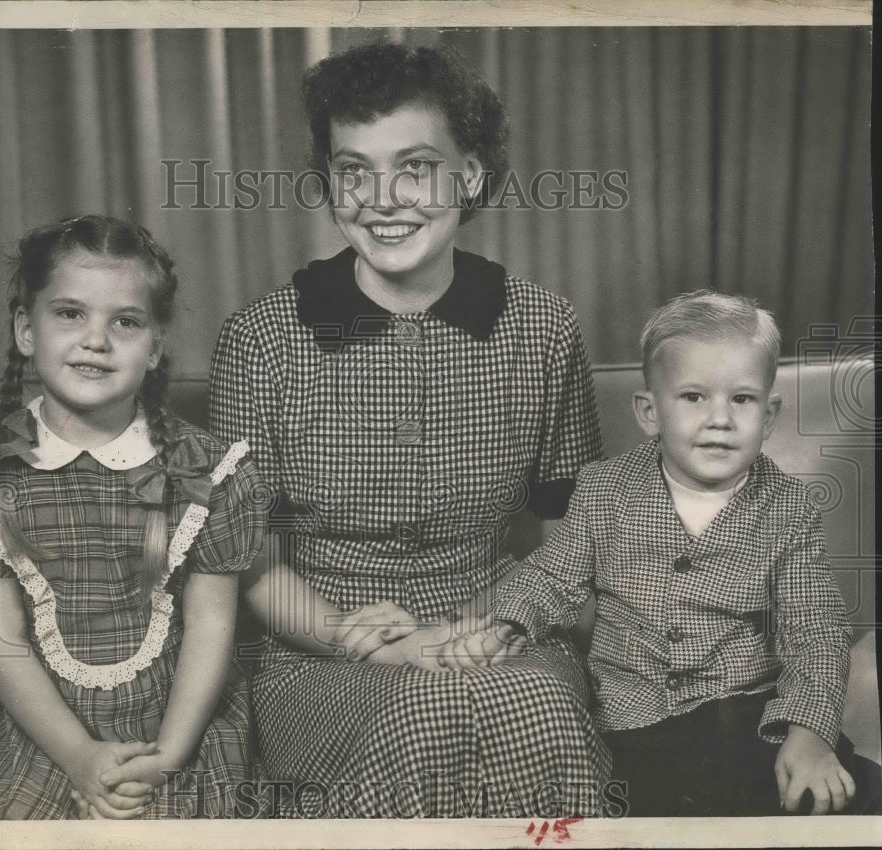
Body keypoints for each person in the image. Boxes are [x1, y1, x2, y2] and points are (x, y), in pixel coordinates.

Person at [209, 42, 610, 818]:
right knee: (426, 712)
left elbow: (575, 537)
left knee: (524, 709)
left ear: (470, 174)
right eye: (353, 169)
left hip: (500, 628)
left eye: (416, 166)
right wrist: (371, 641)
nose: (382, 198)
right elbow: (248, 562)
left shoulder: (543, 328)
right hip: (322, 650)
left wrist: (490, 626)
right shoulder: (259, 339)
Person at [451, 290, 882, 816]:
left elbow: (814, 628)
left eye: (742, 399)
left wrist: (809, 729)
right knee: (631, 815)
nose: (720, 419)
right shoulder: (604, 489)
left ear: (768, 417)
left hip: (752, 715)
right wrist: (512, 623)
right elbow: (551, 577)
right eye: (694, 397)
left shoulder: (789, 508)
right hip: (636, 724)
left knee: (846, 797)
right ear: (650, 412)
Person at [0, 214, 266, 819]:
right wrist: (79, 756)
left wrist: (167, 757)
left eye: (125, 322)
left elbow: (211, 630)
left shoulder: (205, 474)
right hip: (42, 732)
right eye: (69, 313)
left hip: (177, 725)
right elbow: (1, 639)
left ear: (155, 347)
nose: (95, 340)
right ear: (27, 329)